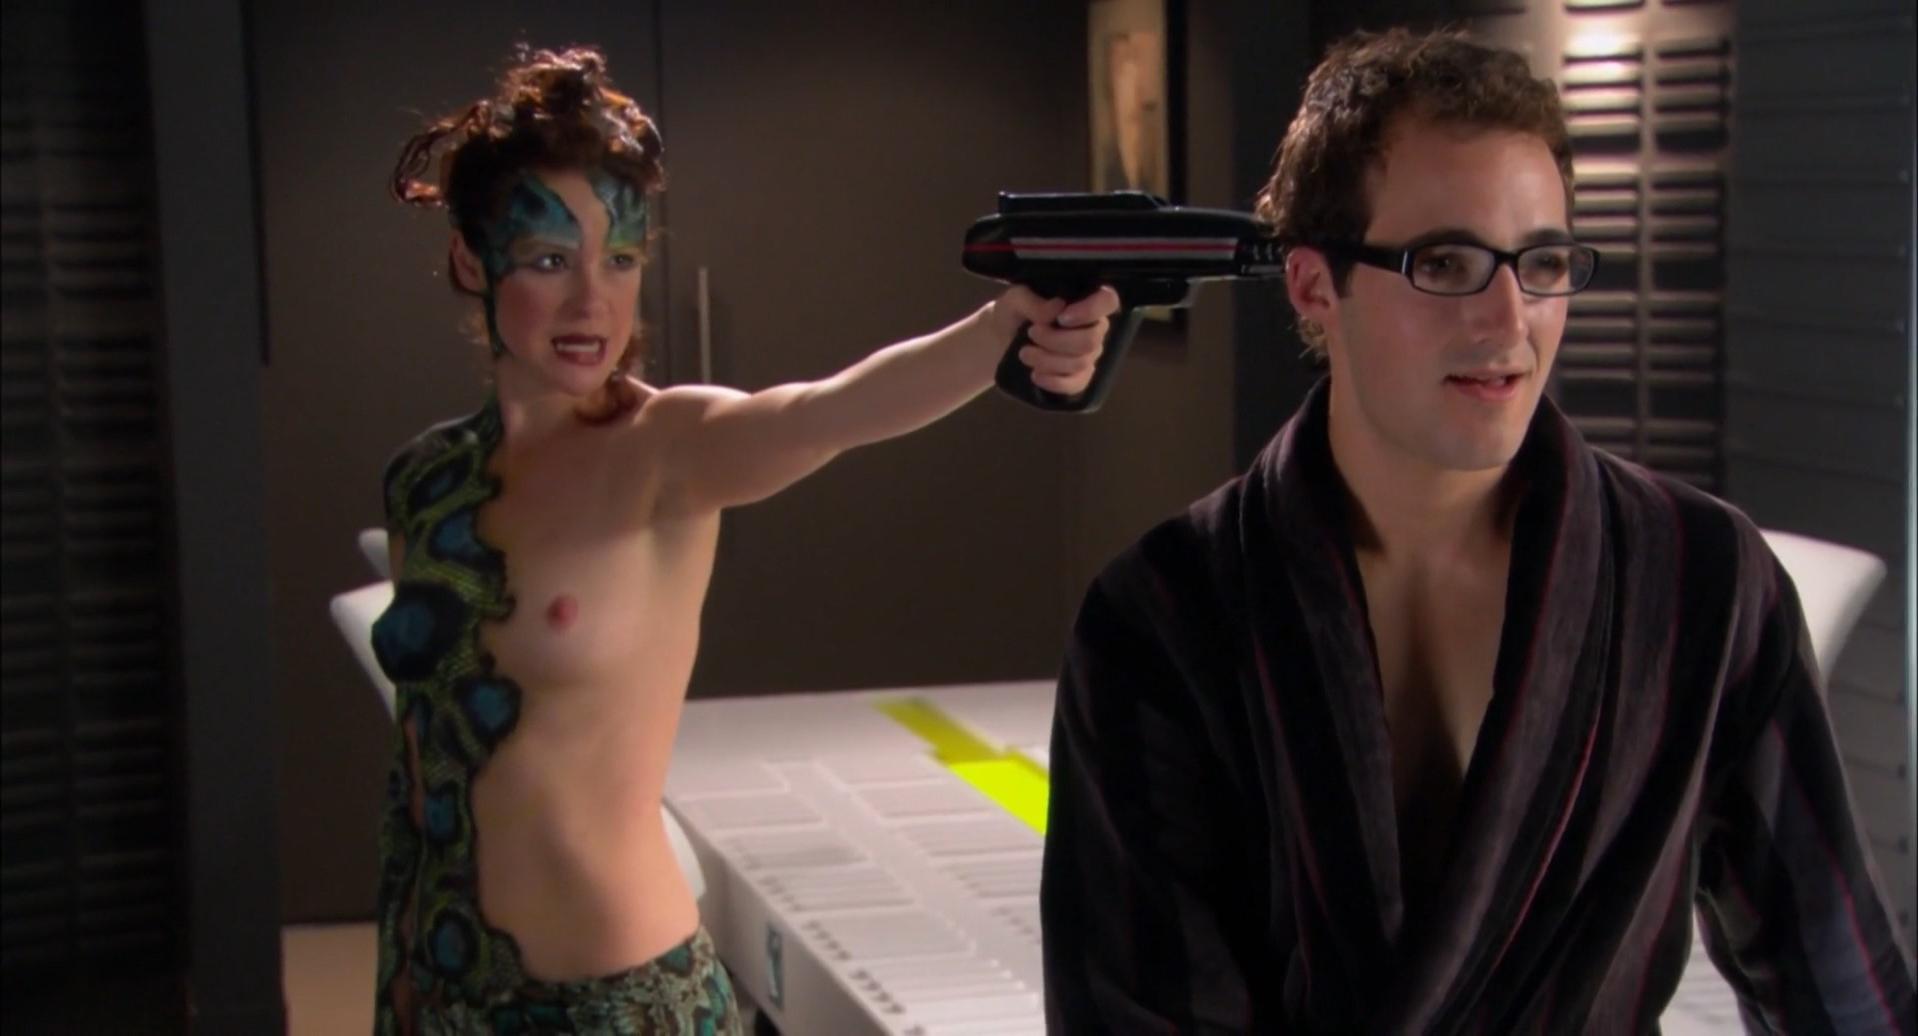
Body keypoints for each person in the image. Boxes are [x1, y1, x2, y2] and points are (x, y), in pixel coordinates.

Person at [1039, 27, 1914, 1034]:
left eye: (1541, 261)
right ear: (1315, 283)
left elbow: (1841, 991)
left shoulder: (1701, 582)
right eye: (1444, 261)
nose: (1508, 320)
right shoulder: (1163, 616)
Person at [369, 45, 1115, 1033]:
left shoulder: (666, 448)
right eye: (551, 260)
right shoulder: (425, 480)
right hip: (443, 989)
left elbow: (829, 410)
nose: (593, 302)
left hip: (620, 1006)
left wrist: (998, 334)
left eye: (620, 259)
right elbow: (423, 774)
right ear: (473, 259)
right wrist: (401, 991)